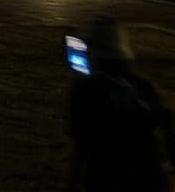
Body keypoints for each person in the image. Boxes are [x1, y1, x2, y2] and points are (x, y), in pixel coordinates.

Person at [68, 16, 174, 191]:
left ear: (94, 54)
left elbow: (81, 145)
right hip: (150, 179)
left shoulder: (85, 90)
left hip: (107, 179)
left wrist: (72, 182)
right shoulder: (142, 86)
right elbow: (166, 125)